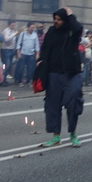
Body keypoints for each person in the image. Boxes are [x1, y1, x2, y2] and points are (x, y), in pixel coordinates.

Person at [39, 9, 84, 147]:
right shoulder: (51, 31)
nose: (56, 21)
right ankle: (56, 136)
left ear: (65, 20)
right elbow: (45, 48)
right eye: (55, 19)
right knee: (53, 105)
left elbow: (79, 28)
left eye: (59, 19)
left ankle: (73, 133)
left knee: (73, 102)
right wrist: (41, 61)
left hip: (71, 73)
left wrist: (71, 15)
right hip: (53, 73)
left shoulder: (72, 31)